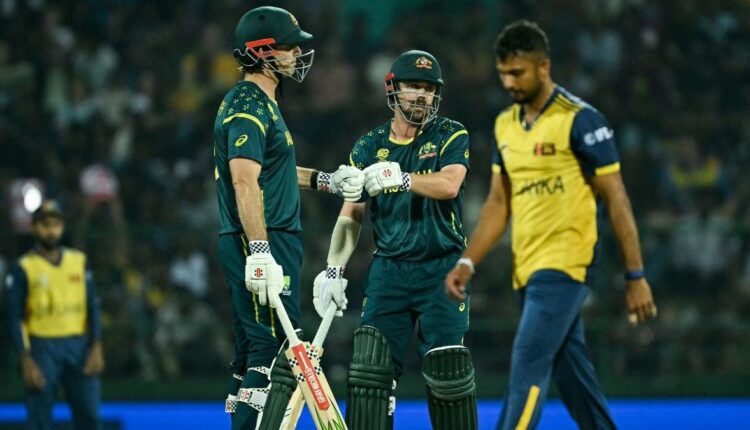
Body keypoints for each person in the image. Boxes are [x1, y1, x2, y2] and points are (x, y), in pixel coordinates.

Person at [444, 20, 658, 430]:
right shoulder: (505, 124)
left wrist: (636, 276)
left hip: (566, 263)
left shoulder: (581, 121)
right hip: (527, 267)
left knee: (527, 368)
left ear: (544, 66)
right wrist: (468, 262)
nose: (509, 82)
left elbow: (617, 199)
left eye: (518, 72)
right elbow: (498, 203)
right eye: (503, 73)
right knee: (572, 375)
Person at [213, 6, 364, 429]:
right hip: (264, 237)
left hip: (263, 237)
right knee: (273, 351)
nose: (298, 53)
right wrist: (260, 250)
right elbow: (244, 180)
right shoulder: (248, 104)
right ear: (262, 52)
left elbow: (271, 170)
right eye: (289, 46)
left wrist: (325, 181)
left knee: (252, 352)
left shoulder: (259, 103)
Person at [314, 50, 477, 430]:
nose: (422, 96)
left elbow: (450, 184)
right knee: (370, 374)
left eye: (429, 89)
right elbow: (352, 212)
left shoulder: (450, 133)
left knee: (448, 372)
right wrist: (333, 270)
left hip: (442, 267)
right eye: (413, 87)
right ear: (393, 89)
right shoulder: (368, 146)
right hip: (389, 269)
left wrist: (402, 178)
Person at [4, 200, 104, 430]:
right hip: (42, 347)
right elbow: (15, 317)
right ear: (34, 227)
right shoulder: (24, 267)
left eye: (56, 225)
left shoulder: (78, 261)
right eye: (45, 225)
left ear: (63, 227)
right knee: (40, 418)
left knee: (89, 415)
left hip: (78, 345)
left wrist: (96, 345)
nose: (51, 231)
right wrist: (25, 359)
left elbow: (93, 306)